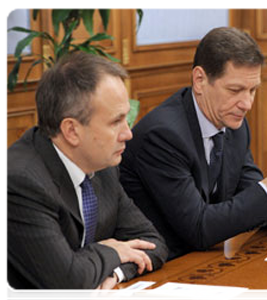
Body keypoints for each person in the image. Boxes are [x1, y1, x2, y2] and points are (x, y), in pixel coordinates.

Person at [119, 27, 267, 260]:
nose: (247, 104)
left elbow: (256, 208)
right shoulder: (163, 136)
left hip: (204, 262)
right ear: (200, 80)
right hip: (159, 269)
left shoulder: (234, 126)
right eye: (235, 90)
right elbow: (199, 228)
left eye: (253, 90)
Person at [5, 52, 168, 300]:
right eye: (116, 122)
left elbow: (152, 243)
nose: (128, 133)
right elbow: (68, 282)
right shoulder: (20, 182)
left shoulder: (103, 164)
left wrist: (116, 272)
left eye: (127, 118)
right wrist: (110, 250)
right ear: (71, 130)